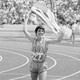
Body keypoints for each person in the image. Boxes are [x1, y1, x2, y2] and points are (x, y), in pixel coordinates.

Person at [23, 11, 64, 80]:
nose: (41, 32)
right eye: (39, 31)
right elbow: (25, 31)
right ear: (36, 32)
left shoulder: (46, 41)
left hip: (42, 65)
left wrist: (62, 33)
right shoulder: (33, 40)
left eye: (42, 31)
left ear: (44, 33)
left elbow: (58, 40)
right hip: (33, 65)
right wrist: (26, 19)